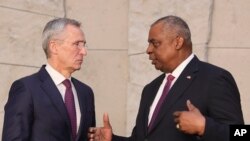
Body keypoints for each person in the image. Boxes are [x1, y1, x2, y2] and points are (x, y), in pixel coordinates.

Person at [88, 15, 244, 141]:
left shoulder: (214, 79)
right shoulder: (151, 89)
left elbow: (241, 133)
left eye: (155, 43)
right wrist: (112, 140)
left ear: (178, 42)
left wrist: (204, 127)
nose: (148, 50)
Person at [2, 18, 96, 141]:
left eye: (84, 45)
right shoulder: (27, 88)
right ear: (54, 46)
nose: (84, 51)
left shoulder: (86, 92)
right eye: (77, 44)